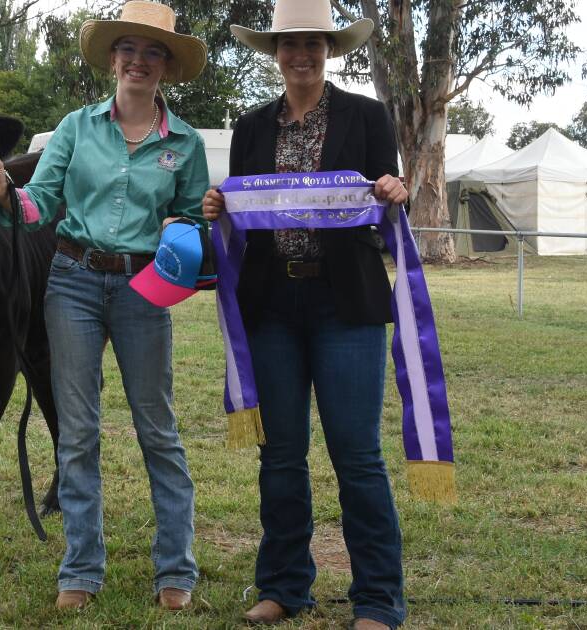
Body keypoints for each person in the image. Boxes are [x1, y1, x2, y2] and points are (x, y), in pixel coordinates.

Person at [0, 0, 209, 612]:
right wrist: (6, 196)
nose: (138, 60)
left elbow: (185, 221)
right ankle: (80, 567)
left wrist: (194, 233)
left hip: (141, 290)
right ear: (112, 59)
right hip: (72, 281)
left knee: (158, 431)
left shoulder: (184, 143)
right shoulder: (75, 128)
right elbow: (39, 207)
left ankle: (175, 570)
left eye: (152, 51)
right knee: (77, 433)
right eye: (128, 49)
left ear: (165, 67)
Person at [203, 0, 410, 627]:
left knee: (358, 455)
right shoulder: (250, 128)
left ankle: (377, 599)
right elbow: (246, 217)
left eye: (313, 43)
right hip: (271, 308)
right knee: (281, 455)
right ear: (275, 53)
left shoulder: (369, 116)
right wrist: (219, 208)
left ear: (330, 50)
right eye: (289, 44)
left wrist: (392, 195)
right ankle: (284, 587)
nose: (301, 54)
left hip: (344, 305)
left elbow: (386, 208)